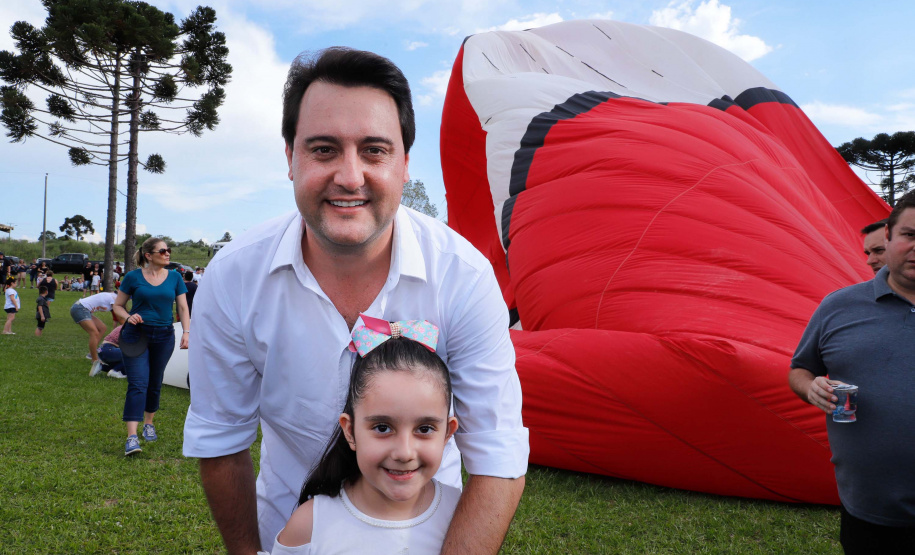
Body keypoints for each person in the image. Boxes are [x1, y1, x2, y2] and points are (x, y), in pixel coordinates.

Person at [184, 47, 528, 554]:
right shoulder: (233, 277)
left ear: (405, 164)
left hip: (430, 539)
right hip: (292, 535)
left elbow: (497, 453)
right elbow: (220, 440)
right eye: (324, 149)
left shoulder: (463, 276)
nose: (350, 176)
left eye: (374, 150)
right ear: (290, 157)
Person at [789, 190, 915, 554]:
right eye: (910, 235)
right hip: (869, 511)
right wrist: (810, 386)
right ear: (888, 237)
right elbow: (800, 368)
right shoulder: (839, 307)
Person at [272, 317, 460, 554]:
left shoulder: (463, 515)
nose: (404, 452)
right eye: (382, 428)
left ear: (447, 433)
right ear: (350, 431)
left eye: (424, 429)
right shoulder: (309, 526)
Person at [113, 237, 189, 456]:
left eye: (169, 250)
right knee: (138, 384)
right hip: (136, 335)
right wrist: (128, 317)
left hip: (164, 336)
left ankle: (149, 422)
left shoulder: (175, 277)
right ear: (148, 255)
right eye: (163, 250)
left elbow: (183, 308)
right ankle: (131, 438)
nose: (168, 254)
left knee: (155, 382)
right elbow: (118, 306)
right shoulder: (133, 277)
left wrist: (186, 332)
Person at [70, 291, 117, 375]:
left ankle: (91, 353)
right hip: (80, 308)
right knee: (94, 333)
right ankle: (95, 360)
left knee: (102, 328)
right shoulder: (114, 298)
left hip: (84, 309)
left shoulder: (113, 297)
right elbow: (119, 316)